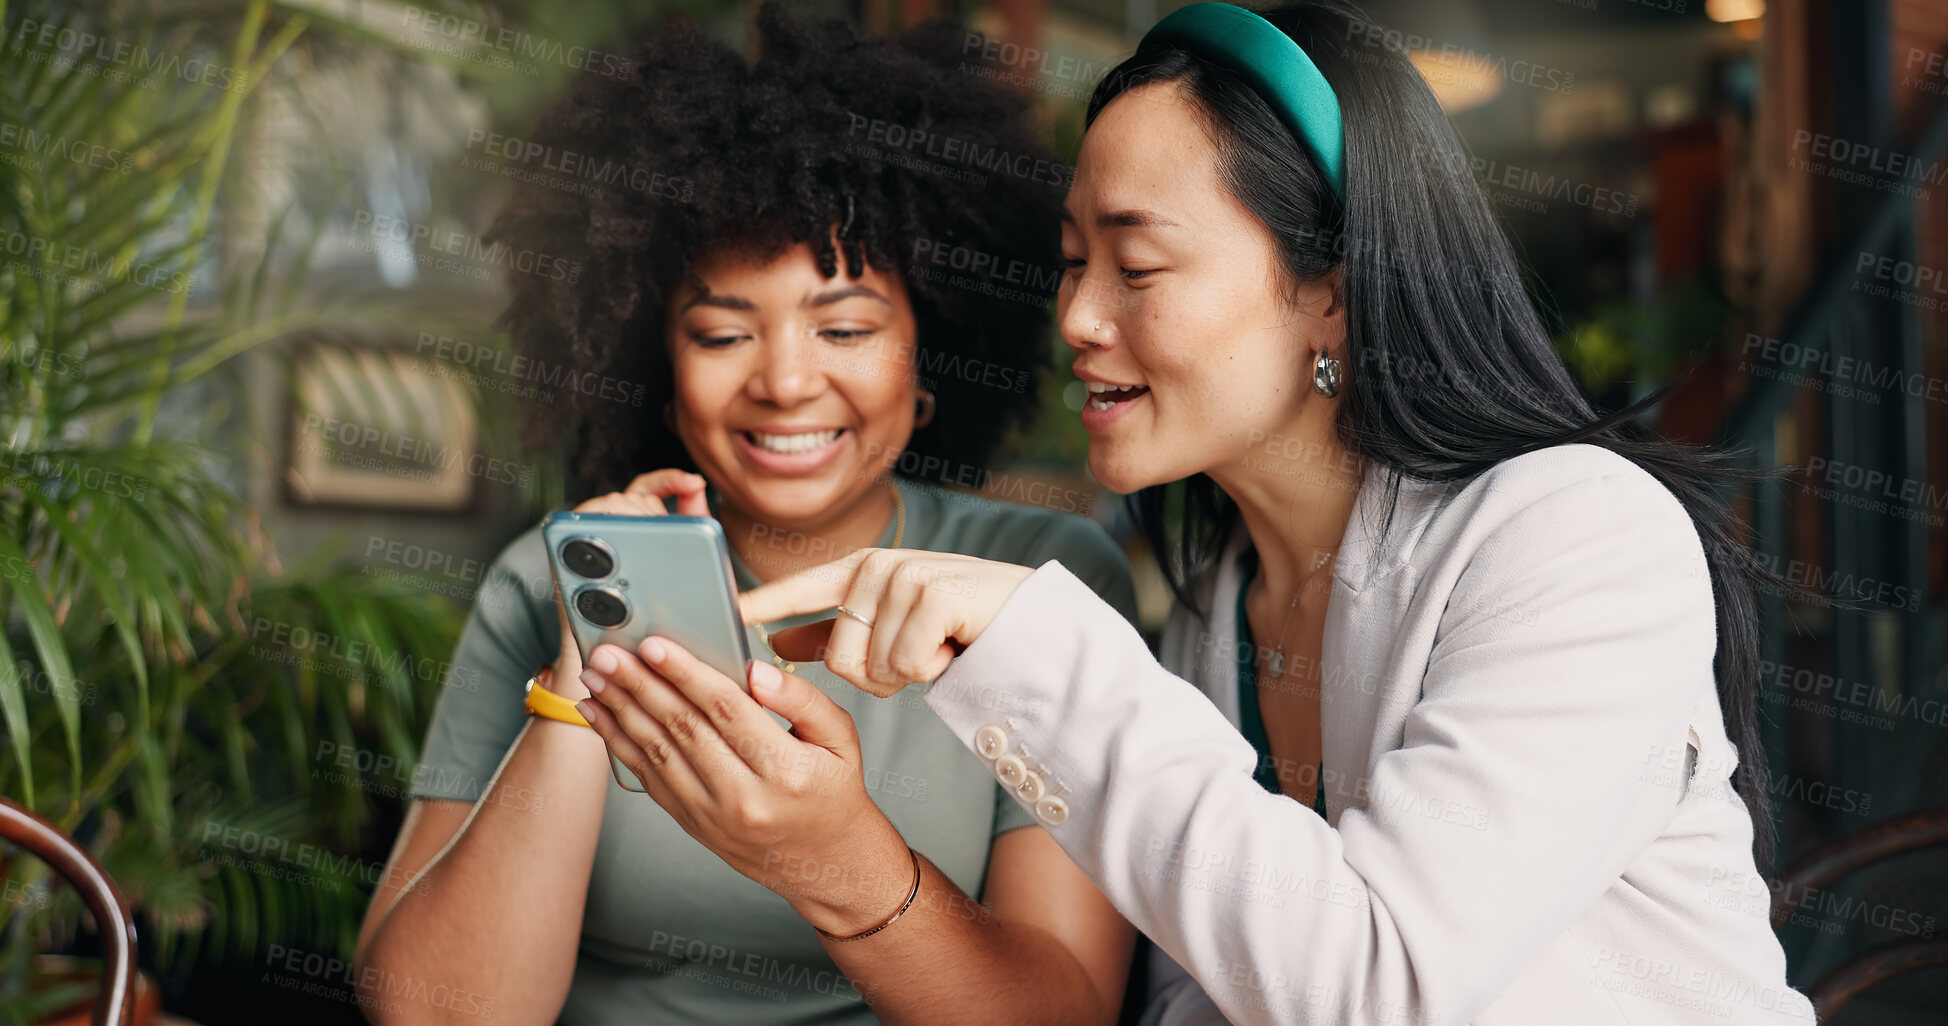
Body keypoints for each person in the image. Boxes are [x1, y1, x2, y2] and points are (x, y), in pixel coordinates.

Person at [736, 3, 1819, 1024]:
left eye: (1137, 264)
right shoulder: (1220, 613)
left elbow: (1371, 985)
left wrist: (1039, 649)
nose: (1076, 314)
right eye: (1072, 262)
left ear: (1334, 291)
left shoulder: (1576, 536)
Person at [352, 6, 1136, 1024]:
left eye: (846, 326)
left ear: (929, 351)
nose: (786, 382)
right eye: (722, 336)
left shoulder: (1037, 580)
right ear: (657, 375)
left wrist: (836, 861)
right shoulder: (542, 585)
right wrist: (585, 676)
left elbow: (1060, 1013)